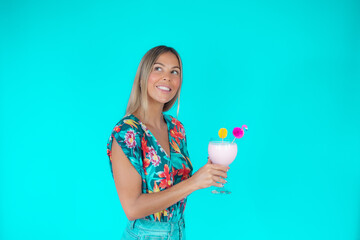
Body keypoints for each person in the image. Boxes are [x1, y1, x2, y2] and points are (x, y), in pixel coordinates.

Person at [106, 45, 229, 240]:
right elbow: (132, 208)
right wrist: (193, 183)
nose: (167, 77)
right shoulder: (127, 132)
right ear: (142, 77)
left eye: (174, 72)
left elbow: (178, 184)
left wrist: (204, 175)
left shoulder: (176, 128)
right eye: (158, 68)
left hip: (178, 232)